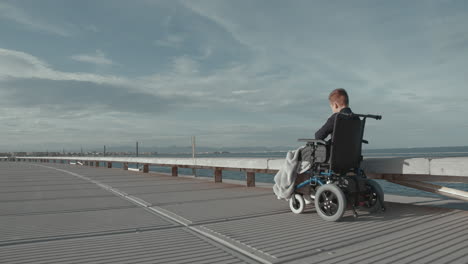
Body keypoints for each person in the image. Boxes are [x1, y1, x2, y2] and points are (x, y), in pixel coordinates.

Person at [296, 88, 353, 204]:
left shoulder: (336, 118)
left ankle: (304, 191)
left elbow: (318, 136)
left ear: (335, 105)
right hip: (351, 157)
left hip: (334, 158)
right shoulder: (355, 118)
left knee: (302, 155)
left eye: (331, 107)